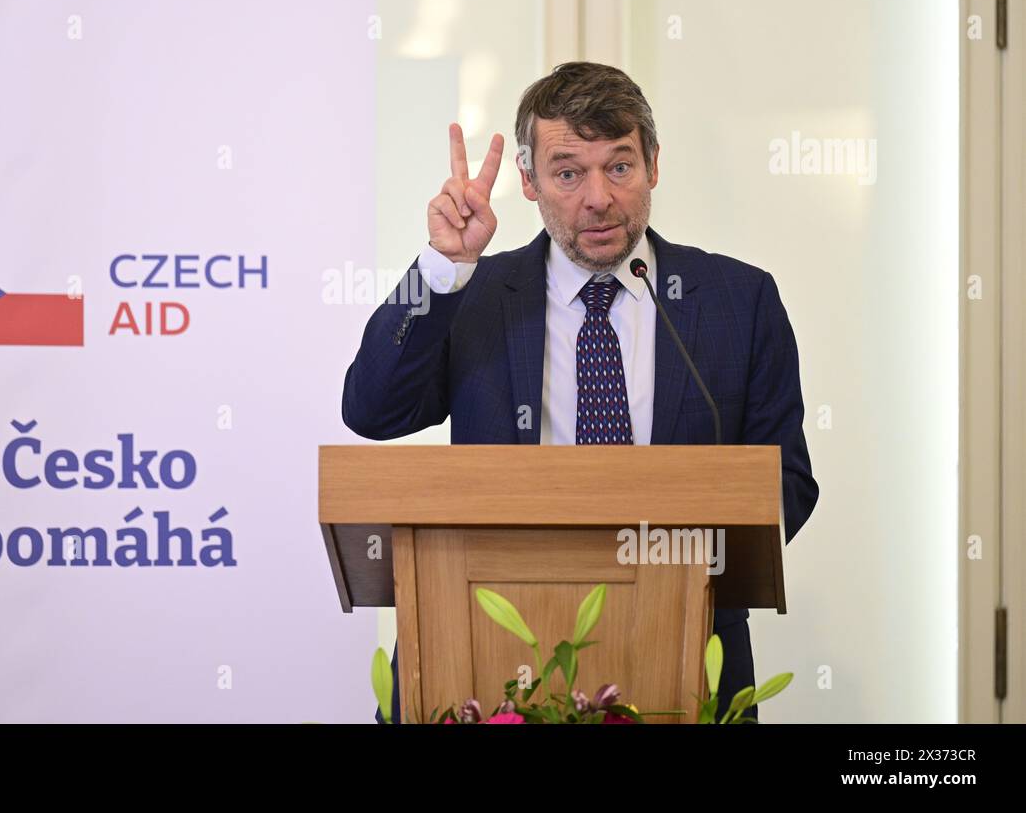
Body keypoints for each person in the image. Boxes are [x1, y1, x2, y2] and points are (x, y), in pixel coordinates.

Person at [342, 62, 819, 724]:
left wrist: (671, 560)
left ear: (654, 165)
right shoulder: (474, 295)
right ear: (530, 183)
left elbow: (788, 484)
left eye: (619, 166)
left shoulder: (739, 302)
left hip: (681, 649)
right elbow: (373, 409)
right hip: (480, 647)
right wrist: (442, 267)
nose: (598, 197)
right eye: (568, 173)